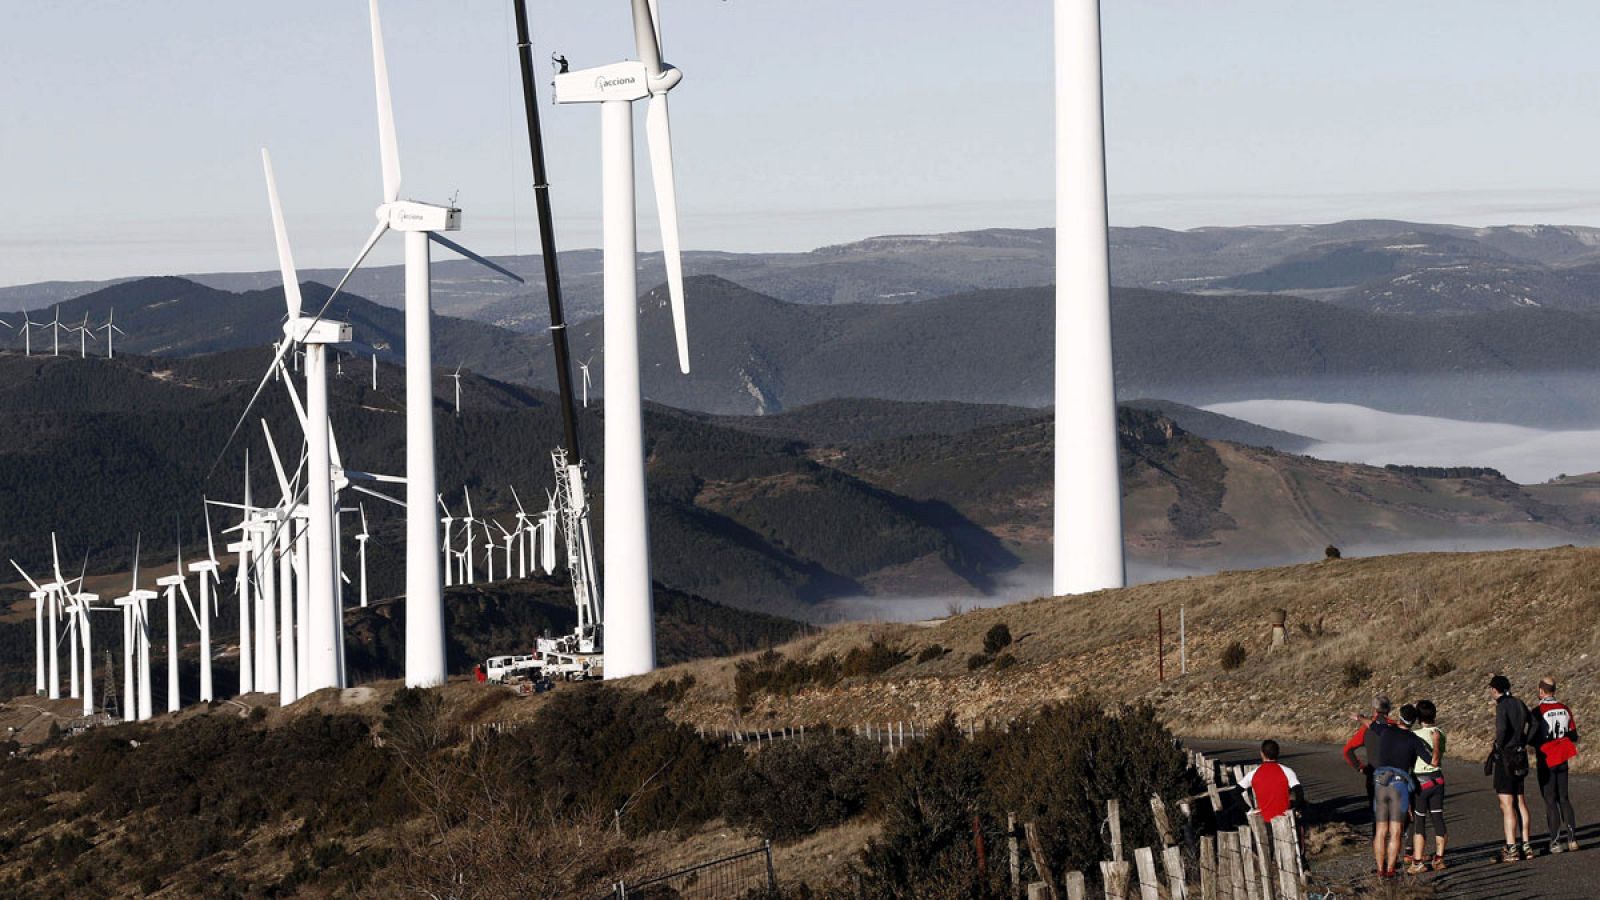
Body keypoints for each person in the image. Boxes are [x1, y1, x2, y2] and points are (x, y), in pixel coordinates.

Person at [1364, 705, 1441, 879]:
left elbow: (1370, 724)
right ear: (1414, 721)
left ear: (1399, 716)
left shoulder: (1386, 731)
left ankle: (1380, 870)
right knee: (1396, 831)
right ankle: (1391, 870)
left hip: (1381, 782)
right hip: (1399, 785)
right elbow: (1434, 762)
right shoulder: (1414, 739)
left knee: (1381, 830)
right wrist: (1435, 741)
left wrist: (1359, 717)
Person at [1489, 674, 1534, 862]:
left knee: (1506, 804)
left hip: (1506, 757)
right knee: (1520, 800)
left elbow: (1501, 729)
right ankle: (1526, 844)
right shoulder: (1518, 703)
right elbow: (1535, 722)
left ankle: (1511, 847)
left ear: (1494, 690)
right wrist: (1525, 740)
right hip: (1520, 755)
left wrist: (1498, 745)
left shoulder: (1502, 706)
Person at [1532, 677, 1580, 854]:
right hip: (1563, 757)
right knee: (1564, 798)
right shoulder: (1564, 708)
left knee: (1550, 800)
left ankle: (1555, 842)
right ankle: (1572, 840)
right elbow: (1574, 735)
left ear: (1541, 691)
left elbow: (1532, 736)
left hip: (1546, 759)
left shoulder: (1538, 711)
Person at [1407, 700, 1448, 873]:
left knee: (1420, 821)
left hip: (1421, 781)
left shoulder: (1414, 735)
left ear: (1418, 717)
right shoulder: (1440, 733)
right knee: (1438, 818)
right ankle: (1439, 858)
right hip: (1438, 779)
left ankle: (1417, 861)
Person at [1344, 694, 1394, 831]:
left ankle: (1377, 839)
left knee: (1377, 815)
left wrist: (1360, 767)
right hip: (1394, 776)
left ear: (1374, 710)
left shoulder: (1366, 729)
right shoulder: (1395, 726)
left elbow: (1348, 750)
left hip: (1373, 775)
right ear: (1389, 709)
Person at [1239, 739, 1304, 824]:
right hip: (1285, 820)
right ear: (1278, 753)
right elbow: (1299, 792)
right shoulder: (1287, 771)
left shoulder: (1253, 773)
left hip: (1264, 820)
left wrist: (1248, 810)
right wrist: (1295, 809)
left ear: (1262, 754)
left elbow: (1235, 792)